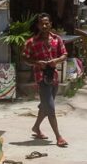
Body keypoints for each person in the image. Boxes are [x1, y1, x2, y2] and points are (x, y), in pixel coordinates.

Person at [22, 13, 69, 147]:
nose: (44, 26)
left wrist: (56, 60)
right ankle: (59, 137)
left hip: (54, 77)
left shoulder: (57, 39)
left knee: (45, 105)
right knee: (50, 107)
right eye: (41, 23)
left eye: (46, 23)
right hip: (41, 77)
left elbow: (64, 54)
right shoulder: (31, 42)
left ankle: (36, 127)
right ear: (38, 25)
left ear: (50, 24)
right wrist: (37, 62)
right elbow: (24, 57)